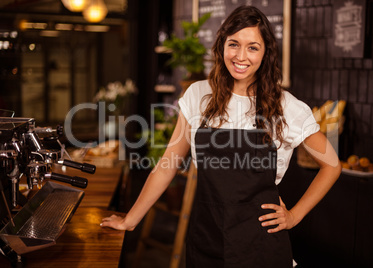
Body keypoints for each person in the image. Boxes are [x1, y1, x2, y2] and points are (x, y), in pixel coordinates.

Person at [101, 5, 341, 267]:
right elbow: (167, 165)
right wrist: (131, 220)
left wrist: (294, 216)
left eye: (253, 47)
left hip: (261, 248)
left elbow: (332, 165)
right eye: (233, 44)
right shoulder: (197, 96)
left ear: (266, 53)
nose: (241, 56)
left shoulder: (286, 106)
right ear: (221, 46)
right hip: (207, 242)